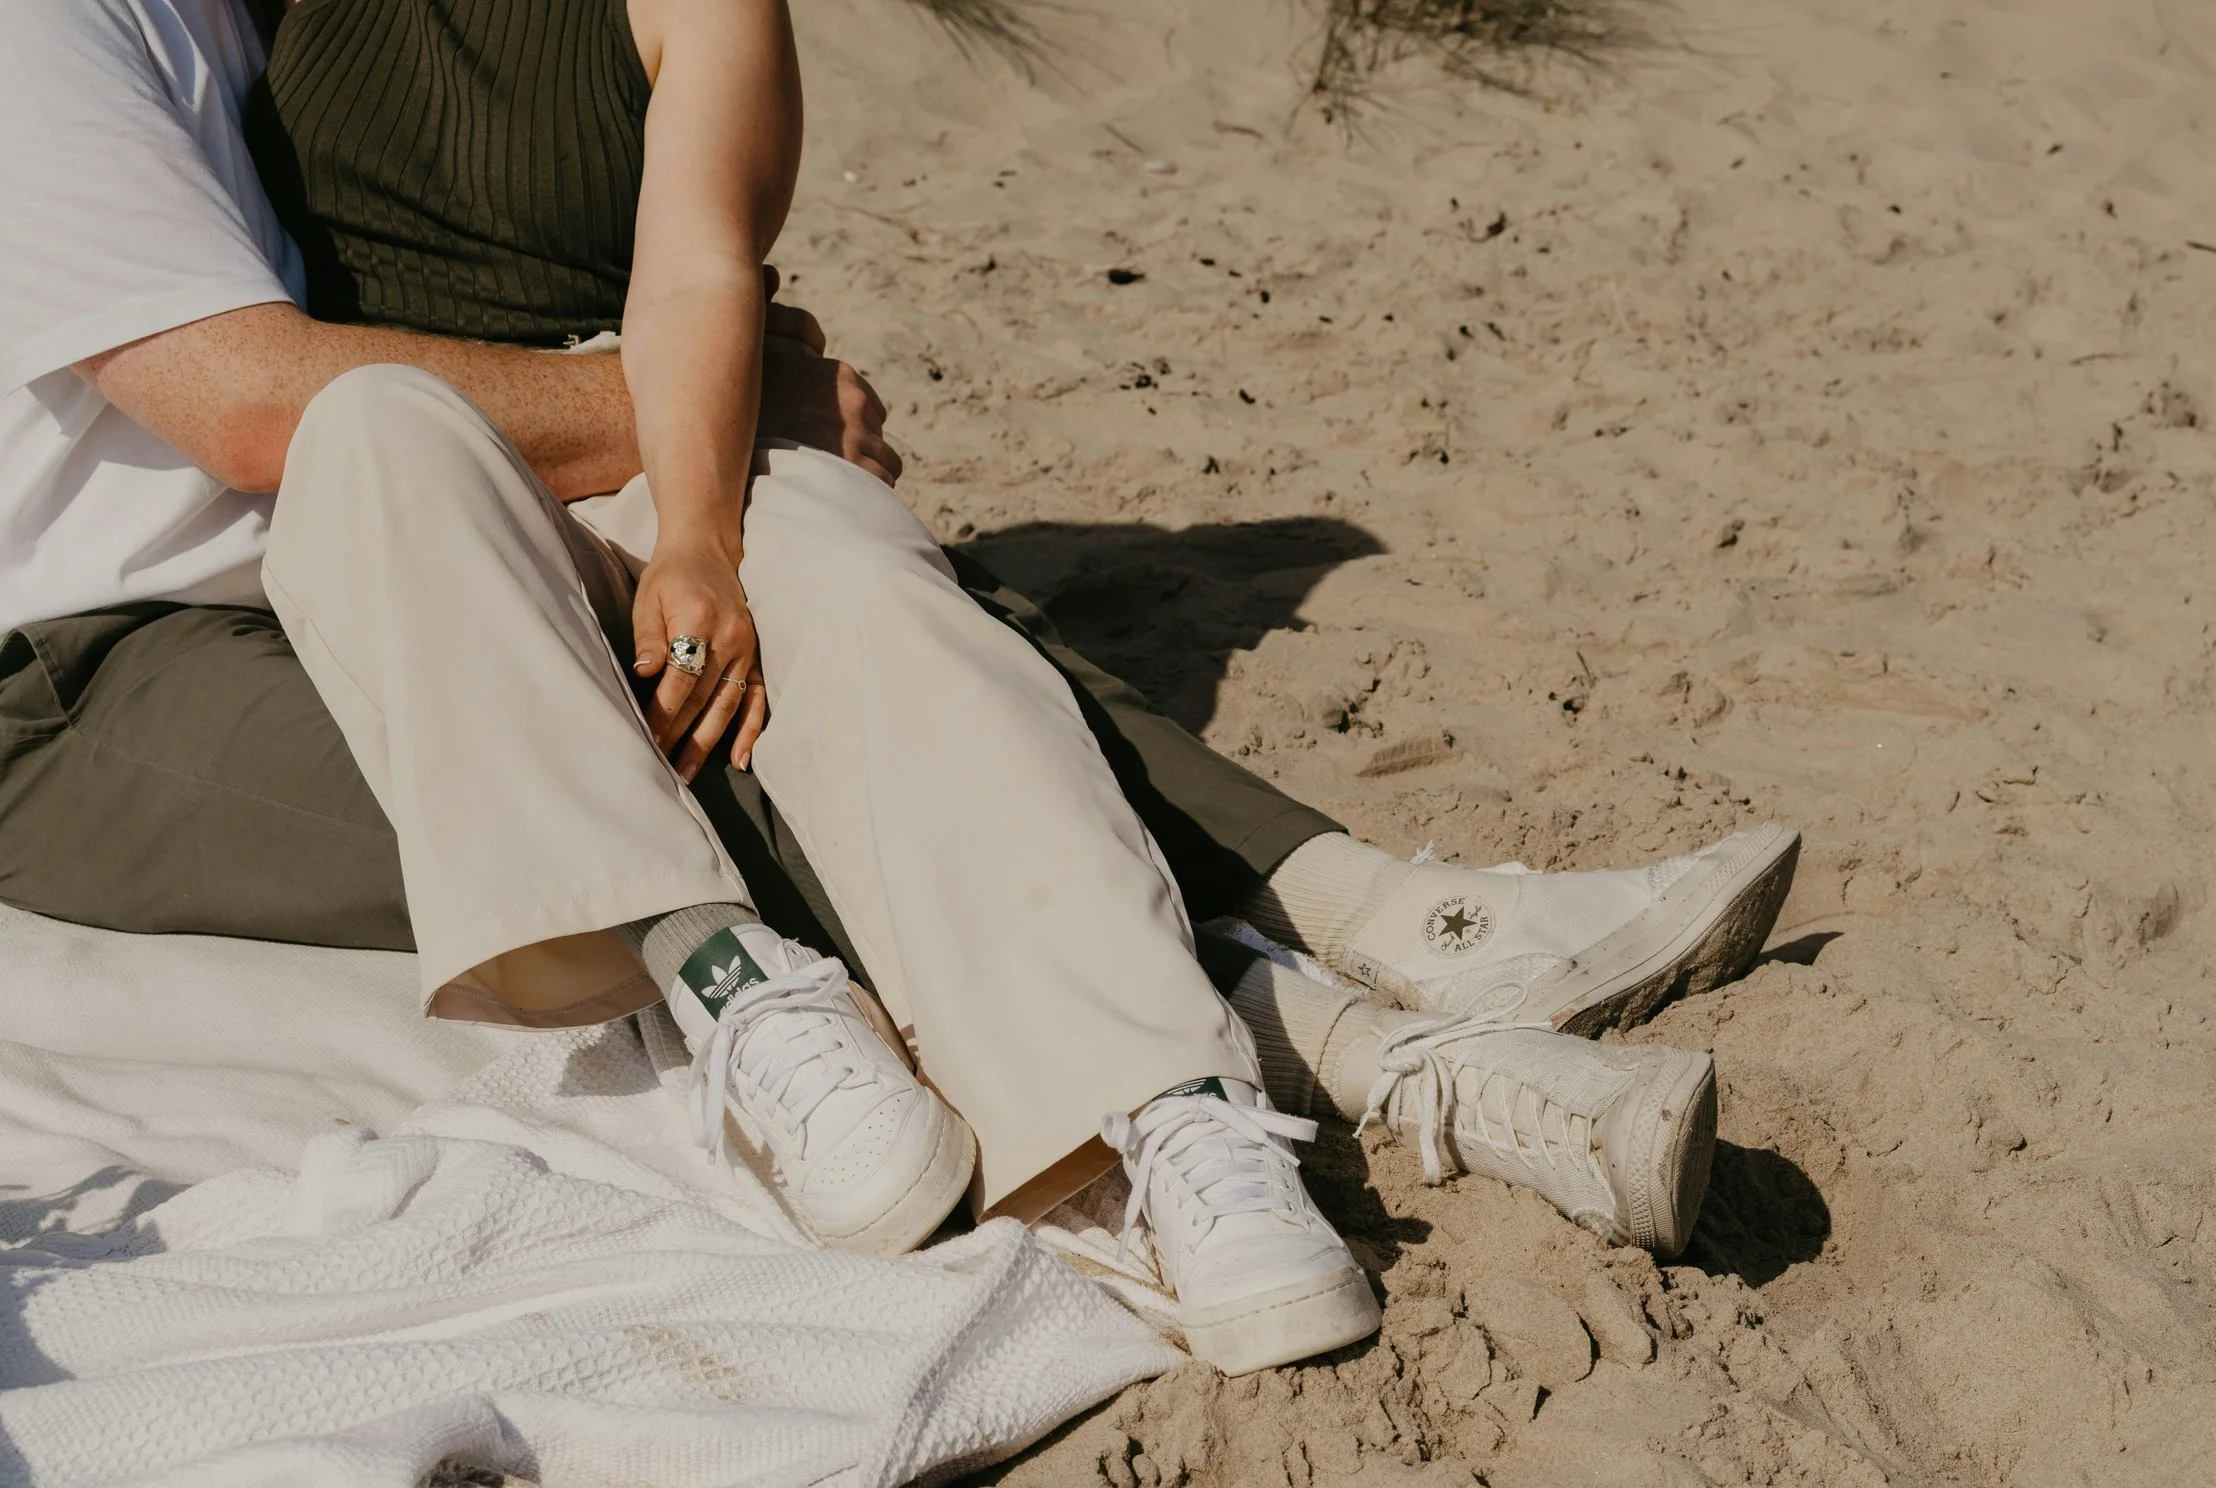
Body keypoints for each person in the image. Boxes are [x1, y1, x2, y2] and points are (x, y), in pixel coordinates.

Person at [0, 0, 1799, 1371]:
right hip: (130, 653)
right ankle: (1347, 1031)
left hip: (420, 532)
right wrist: (714, 414)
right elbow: (264, 406)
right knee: (688, 706)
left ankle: (1237, 1070)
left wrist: (699, 490)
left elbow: (684, 251)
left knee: (871, 614)